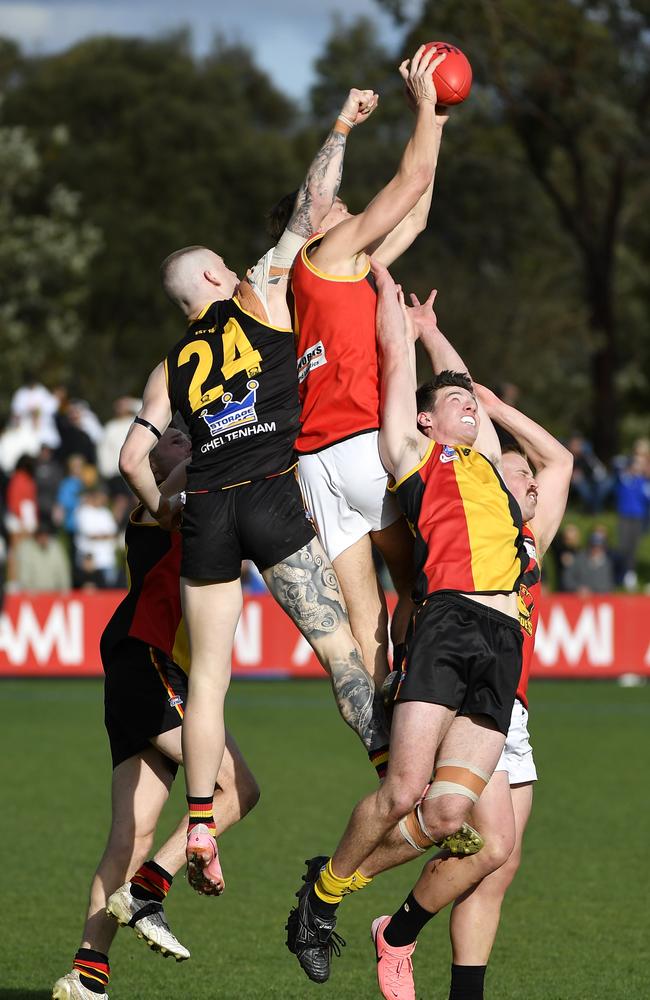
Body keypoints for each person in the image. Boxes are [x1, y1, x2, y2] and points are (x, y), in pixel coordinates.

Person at [119, 89, 391, 898]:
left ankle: (200, 822)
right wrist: (341, 125)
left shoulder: (170, 364)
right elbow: (312, 210)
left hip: (205, 509)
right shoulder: (257, 295)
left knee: (209, 679)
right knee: (339, 644)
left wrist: (167, 506)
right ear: (213, 276)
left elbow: (138, 457)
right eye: (225, 265)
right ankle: (389, 767)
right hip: (269, 490)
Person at [286, 262, 528, 985]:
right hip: (448, 622)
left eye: (471, 407)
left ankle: (363, 907)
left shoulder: (486, 461)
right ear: (428, 420)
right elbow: (401, 376)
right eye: (455, 405)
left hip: (502, 638)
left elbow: (468, 385)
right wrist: (387, 304)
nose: (472, 410)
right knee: (403, 791)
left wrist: (434, 332)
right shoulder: (414, 454)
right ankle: (321, 897)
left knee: (453, 815)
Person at [369, 383, 573, 1000]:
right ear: (485, 470)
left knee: (498, 868)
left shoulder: (529, 540)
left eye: (532, 482)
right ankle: (394, 931)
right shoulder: (458, 499)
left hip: (514, 705)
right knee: (486, 847)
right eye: (518, 472)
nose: (531, 484)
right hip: (469, 695)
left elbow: (559, 461)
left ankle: (441, 973)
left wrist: (495, 403)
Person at [52, 428, 260, 1000]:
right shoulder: (155, 505)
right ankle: (149, 889)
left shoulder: (208, 508)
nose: (188, 445)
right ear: (152, 458)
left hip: (143, 670)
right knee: (237, 788)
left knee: (130, 835)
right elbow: (180, 478)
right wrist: (224, 434)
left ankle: (85, 975)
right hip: (150, 663)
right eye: (175, 439)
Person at [289, 46, 450, 730]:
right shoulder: (325, 254)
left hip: (314, 462)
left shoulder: (323, 276)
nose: (354, 211)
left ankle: (380, 744)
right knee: (422, 582)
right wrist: (429, 113)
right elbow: (407, 185)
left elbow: (413, 214)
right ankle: (422, 714)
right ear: (316, 220)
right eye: (342, 208)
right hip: (362, 446)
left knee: (363, 618)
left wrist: (431, 135)